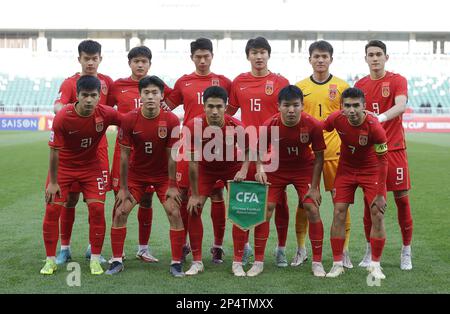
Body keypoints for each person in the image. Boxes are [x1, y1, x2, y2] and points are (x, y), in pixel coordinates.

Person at [40, 75, 122, 275]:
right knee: (52, 210)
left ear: (98, 97)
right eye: (84, 95)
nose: (89, 100)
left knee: (96, 209)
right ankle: (50, 260)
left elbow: (129, 121)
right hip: (64, 168)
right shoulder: (63, 116)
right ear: (77, 95)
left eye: (93, 95)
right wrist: (53, 182)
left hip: (91, 168)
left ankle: (95, 258)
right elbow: (54, 152)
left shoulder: (106, 113)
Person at [105, 75, 185, 277]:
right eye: (146, 93)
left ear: (161, 95)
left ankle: (176, 263)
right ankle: (116, 260)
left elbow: (172, 156)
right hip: (136, 177)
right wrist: (123, 188)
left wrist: (173, 185)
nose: (150, 96)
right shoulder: (130, 119)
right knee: (120, 211)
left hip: (162, 177)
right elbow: (124, 155)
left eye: (154, 93)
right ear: (140, 95)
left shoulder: (172, 120)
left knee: (174, 211)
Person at [165, 38, 232, 265]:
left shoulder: (224, 81)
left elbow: (231, 111)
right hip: (190, 146)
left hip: (218, 149)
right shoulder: (183, 82)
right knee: (186, 195)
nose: (202, 60)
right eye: (198, 56)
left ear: (212, 56)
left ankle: (218, 247)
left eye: (206, 56)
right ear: (191, 57)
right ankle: (185, 245)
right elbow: (167, 105)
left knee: (217, 194)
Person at [225, 36, 290, 268]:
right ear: (248, 56)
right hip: (246, 150)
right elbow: (229, 114)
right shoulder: (238, 82)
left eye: (263, 52)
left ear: (269, 55)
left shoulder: (281, 81)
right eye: (254, 52)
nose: (259, 56)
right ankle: (244, 248)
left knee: (278, 202)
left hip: (274, 149)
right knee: (246, 199)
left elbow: (288, 114)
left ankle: (280, 249)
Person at [107, 46, 172, 263]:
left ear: (150, 64)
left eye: (144, 61)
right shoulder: (118, 86)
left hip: (152, 156)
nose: (140, 65)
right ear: (130, 63)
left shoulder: (157, 84)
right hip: (125, 152)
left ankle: (143, 248)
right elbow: (105, 111)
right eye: (136, 61)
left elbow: (171, 105)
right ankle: (119, 252)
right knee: (120, 200)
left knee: (147, 200)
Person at [253, 85, 326, 277]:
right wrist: (260, 168)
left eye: (295, 105)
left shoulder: (313, 125)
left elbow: (319, 158)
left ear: (303, 105)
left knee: (311, 207)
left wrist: (316, 187)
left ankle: (317, 262)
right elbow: (259, 152)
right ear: (278, 106)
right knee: (266, 210)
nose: (291, 110)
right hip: (277, 169)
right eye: (286, 105)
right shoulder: (270, 125)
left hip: (303, 169)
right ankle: (258, 262)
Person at [355, 40, 413, 270]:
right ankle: (370, 249)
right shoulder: (360, 85)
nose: (375, 58)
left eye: (379, 54)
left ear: (386, 57)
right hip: (370, 154)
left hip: (395, 148)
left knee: (402, 200)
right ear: (366, 58)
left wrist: (380, 118)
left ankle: (406, 250)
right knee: (371, 204)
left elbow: (401, 106)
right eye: (371, 54)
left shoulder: (397, 80)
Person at [54, 40, 113, 265]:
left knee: (95, 203)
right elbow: (58, 107)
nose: (90, 62)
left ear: (100, 58)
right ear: (79, 59)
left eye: (94, 58)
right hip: (74, 153)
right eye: (86, 58)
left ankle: (92, 248)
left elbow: (119, 107)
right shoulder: (71, 83)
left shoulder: (107, 83)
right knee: (69, 200)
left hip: (98, 153)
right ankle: (65, 248)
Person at [295, 40, 353, 268]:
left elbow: (348, 120)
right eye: (316, 56)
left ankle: (344, 250)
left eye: (324, 57)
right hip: (308, 157)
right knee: (305, 203)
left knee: (341, 204)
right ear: (309, 59)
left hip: (336, 154)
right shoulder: (300, 87)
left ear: (331, 59)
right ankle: (301, 249)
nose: (320, 60)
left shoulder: (341, 86)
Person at [323, 87, 388, 280]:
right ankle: (337, 264)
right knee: (338, 212)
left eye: (356, 106)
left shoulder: (374, 126)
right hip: (346, 169)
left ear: (364, 106)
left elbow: (384, 160)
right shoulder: (337, 118)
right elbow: (321, 127)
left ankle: (375, 265)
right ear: (342, 106)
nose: (352, 110)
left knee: (377, 214)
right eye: (347, 106)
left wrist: (380, 194)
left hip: (371, 171)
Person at [184, 86, 250, 276]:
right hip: (206, 168)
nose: (214, 111)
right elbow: (194, 162)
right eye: (210, 106)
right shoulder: (192, 126)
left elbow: (248, 151)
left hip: (232, 167)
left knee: (240, 210)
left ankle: (237, 262)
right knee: (194, 208)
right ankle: (197, 262)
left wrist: (244, 170)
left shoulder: (236, 126)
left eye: (219, 107)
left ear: (226, 107)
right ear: (203, 106)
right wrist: (195, 194)